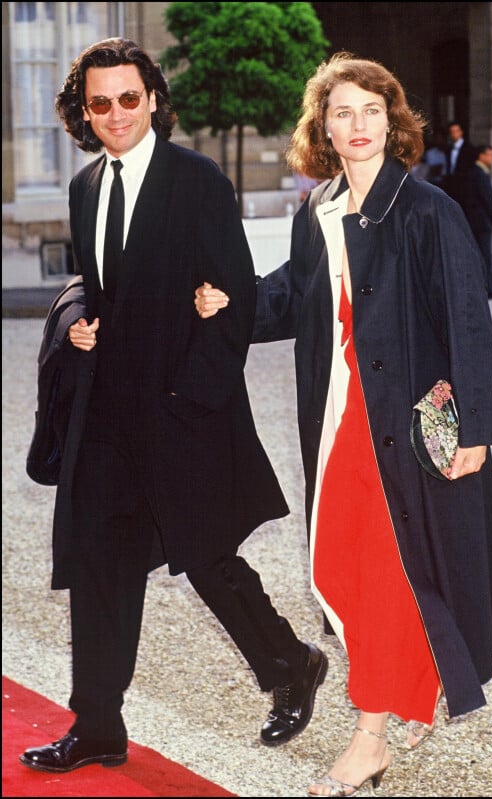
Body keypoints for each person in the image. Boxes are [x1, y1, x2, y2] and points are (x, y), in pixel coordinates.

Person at [196, 51, 492, 796]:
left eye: (371, 109)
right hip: (338, 420)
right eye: (342, 112)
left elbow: (470, 323)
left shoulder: (428, 209)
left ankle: (369, 735)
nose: (358, 123)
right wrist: (230, 304)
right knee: (344, 567)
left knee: (391, 568)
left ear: (392, 119)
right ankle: (411, 684)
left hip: (403, 433)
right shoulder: (318, 209)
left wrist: (475, 430)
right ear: (324, 129)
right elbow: (290, 296)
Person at [19, 37, 327, 775]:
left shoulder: (197, 181)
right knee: (98, 562)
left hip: (182, 407)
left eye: (130, 97)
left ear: (153, 99)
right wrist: (78, 328)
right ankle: (97, 724)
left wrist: (196, 395)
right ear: (83, 112)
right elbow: (94, 291)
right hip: (105, 414)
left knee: (207, 558)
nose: (117, 113)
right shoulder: (85, 187)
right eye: (101, 103)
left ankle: (290, 662)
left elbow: (234, 295)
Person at [462, 144, 492, 299]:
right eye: (490, 155)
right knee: (485, 256)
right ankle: (487, 288)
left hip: (477, 220)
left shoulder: (477, 173)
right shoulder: (478, 174)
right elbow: (487, 199)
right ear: (482, 156)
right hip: (481, 221)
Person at [443, 119, 476, 207]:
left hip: (465, 186)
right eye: (451, 132)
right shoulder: (449, 148)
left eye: (456, 131)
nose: (454, 134)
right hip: (452, 185)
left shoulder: (469, 148)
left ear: (461, 132)